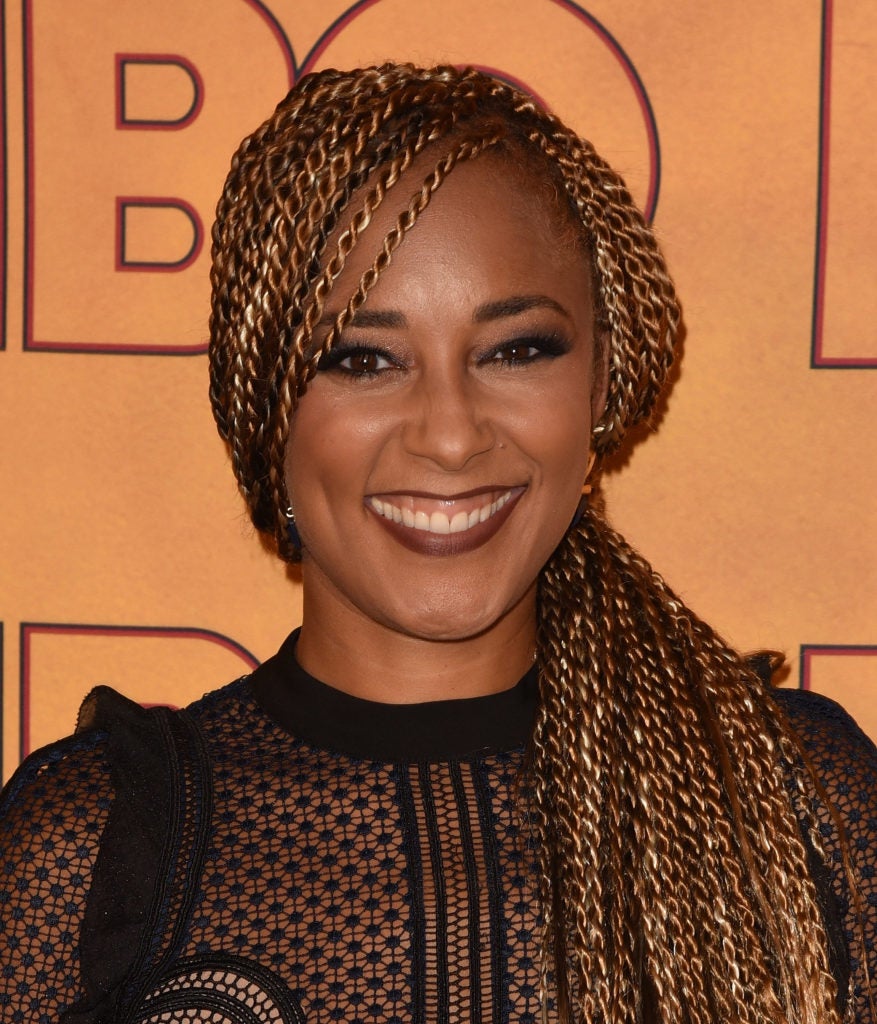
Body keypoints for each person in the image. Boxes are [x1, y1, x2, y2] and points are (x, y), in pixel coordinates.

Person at [1, 62, 875, 1024]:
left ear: (600, 385)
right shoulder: (85, 845)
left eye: (515, 350)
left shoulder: (796, 801)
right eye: (363, 359)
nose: (451, 436)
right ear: (265, 410)